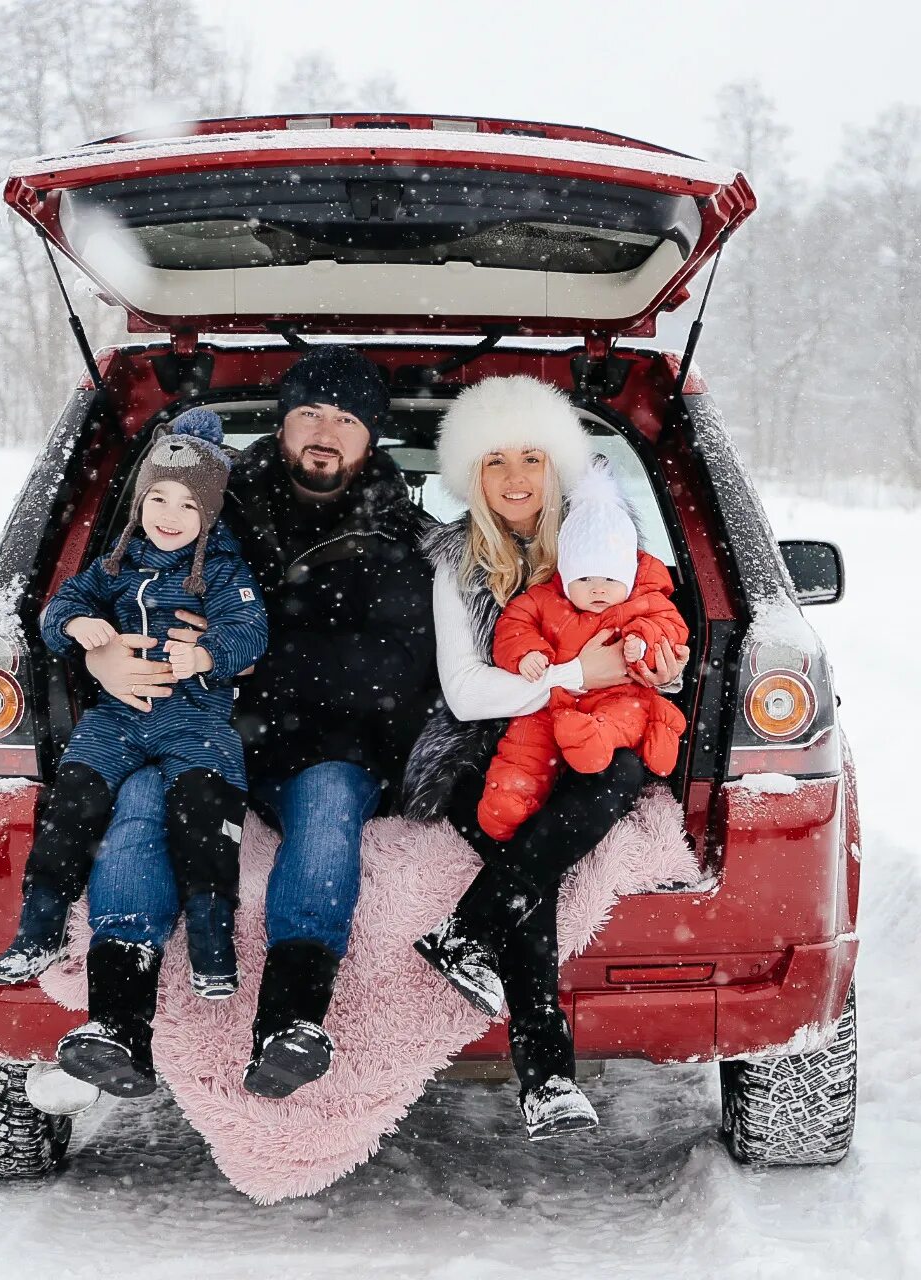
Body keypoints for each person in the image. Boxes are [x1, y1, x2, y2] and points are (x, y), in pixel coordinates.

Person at [78, 345, 436, 1100]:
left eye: (345, 418)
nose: (324, 431)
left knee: (332, 808)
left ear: (372, 436)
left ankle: (290, 1022)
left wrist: (241, 661)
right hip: (193, 730)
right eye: (309, 412)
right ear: (281, 424)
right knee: (141, 802)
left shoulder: (403, 535)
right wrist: (101, 657)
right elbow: (108, 592)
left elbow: (396, 676)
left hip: (324, 742)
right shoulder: (207, 504)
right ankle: (115, 1021)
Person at [400, 375, 691, 1140]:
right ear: (471, 476)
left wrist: (663, 669)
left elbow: (659, 629)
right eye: (495, 460)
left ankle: (468, 928)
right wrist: (569, 675)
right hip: (482, 744)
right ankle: (546, 1074)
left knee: (614, 775)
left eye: (533, 455)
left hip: (594, 731)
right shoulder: (455, 563)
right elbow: (465, 695)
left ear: (558, 464)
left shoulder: (604, 537)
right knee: (521, 828)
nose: (517, 476)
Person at [0, 409, 268, 1093]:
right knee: (71, 809)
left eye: (186, 504)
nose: (169, 515)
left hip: (195, 722)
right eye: (156, 500)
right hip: (116, 720)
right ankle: (39, 927)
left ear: (210, 511)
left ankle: (211, 943)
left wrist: (205, 652)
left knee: (205, 823)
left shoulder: (224, 570)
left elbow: (250, 631)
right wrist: (84, 625)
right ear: (139, 501)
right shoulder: (114, 565)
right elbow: (57, 612)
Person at [473, 459, 690, 842]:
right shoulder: (543, 598)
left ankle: (599, 739)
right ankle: (508, 802)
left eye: (609, 578)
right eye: (584, 578)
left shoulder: (643, 601)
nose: (597, 589)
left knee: (624, 719)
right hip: (548, 699)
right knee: (523, 749)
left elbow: (669, 628)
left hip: (618, 699)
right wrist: (528, 652)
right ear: (565, 572)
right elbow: (513, 626)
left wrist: (646, 644)